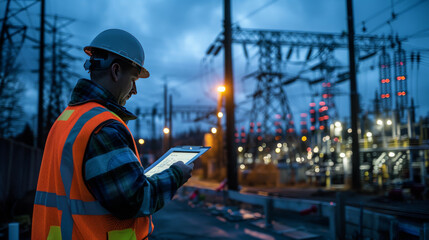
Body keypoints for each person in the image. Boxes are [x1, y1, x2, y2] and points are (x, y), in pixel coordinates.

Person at [32, 29, 193, 239]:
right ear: (116, 71)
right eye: (133, 79)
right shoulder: (103, 128)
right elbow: (135, 199)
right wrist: (177, 174)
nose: (134, 90)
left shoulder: (67, 119)